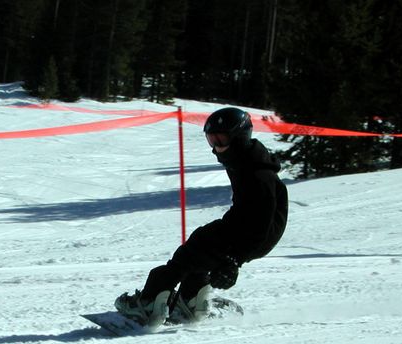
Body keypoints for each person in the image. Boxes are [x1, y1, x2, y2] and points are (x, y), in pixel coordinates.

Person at [115, 107, 289, 327]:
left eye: (221, 139)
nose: (216, 146)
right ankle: (191, 301)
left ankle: (149, 305)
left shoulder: (258, 174)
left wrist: (235, 260)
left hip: (256, 233)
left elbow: (262, 220)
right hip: (245, 225)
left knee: (189, 256)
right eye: (211, 139)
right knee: (200, 246)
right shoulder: (244, 158)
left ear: (239, 138)